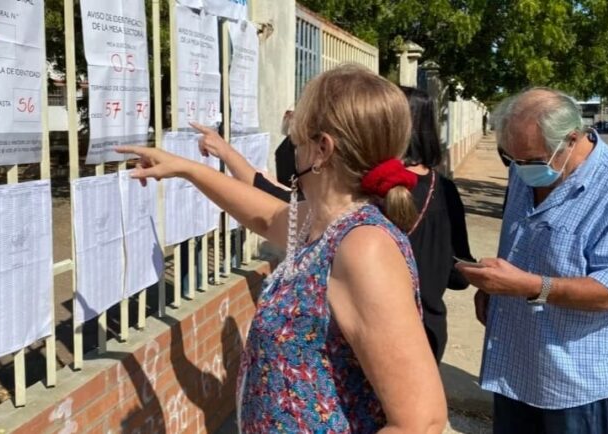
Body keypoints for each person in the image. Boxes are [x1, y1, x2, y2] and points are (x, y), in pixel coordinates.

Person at [118, 65, 447, 433]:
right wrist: (187, 169)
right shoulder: (317, 221)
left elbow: (423, 422)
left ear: (322, 149)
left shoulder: (363, 248)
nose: (292, 143)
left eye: (297, 132)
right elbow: (264, 216)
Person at [457, 87, 608, 433]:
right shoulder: (524, 167)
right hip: (516, 360)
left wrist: (529, 286)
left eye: (529, 159)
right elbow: (518, 237)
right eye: (510, 158)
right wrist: (494, 287)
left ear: (572, 139)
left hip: (574, 378)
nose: (519, 168)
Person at [401, 86, 475, 363]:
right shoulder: (444, 189)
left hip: (376, 334)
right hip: (428, 331)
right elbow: (459, 274)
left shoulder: (366, 190)